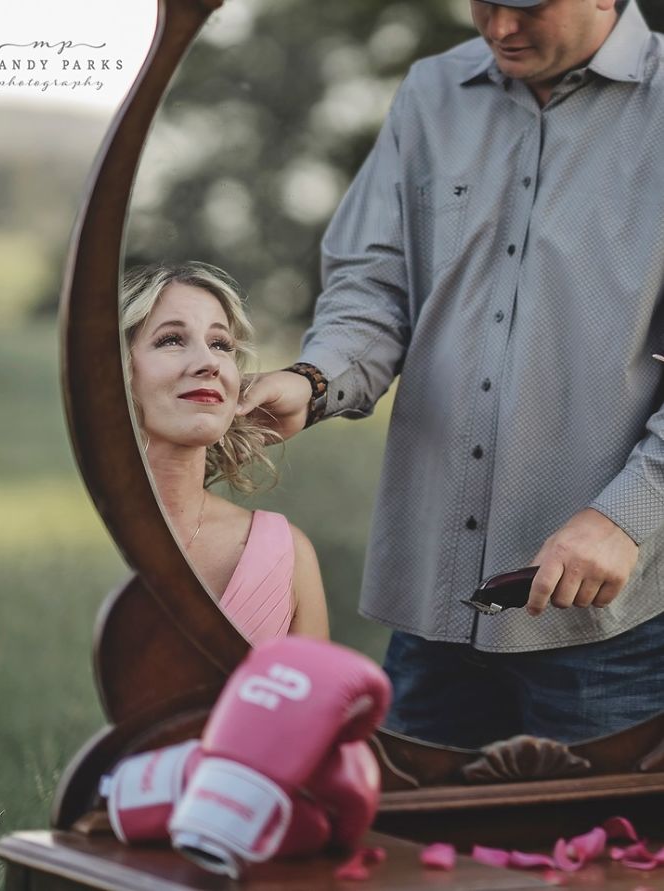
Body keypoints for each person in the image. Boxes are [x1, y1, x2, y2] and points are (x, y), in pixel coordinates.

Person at [237, 0, 664, 746]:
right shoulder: (430, 93)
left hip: (613, 626)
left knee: (603, 860)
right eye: (483, 2)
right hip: (434, 606)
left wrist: (627, 514)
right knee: (415, 860)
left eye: (527, 6)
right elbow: (372, 289)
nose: (499, 28)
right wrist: (312, 378)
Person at [121, 261, 329, 644]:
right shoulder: (66, 540)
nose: (209, 364)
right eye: (171, 340)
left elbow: (311, 704)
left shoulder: (287, 554)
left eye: (220, 344)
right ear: (118, 368)